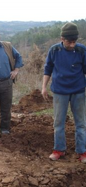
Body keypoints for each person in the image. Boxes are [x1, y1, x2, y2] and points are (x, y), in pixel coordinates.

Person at [42, 22, 86, 163]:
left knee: (81, 123)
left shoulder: (81, 50)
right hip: (60, 91)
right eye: (69, 42)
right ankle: (59, 150)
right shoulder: (54, 50)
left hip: (78, 91)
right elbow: (47, 69)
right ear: (62, 38)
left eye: (74, 41)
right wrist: (44, 87)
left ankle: (82, 151)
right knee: (58, 123)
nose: (72, 44)